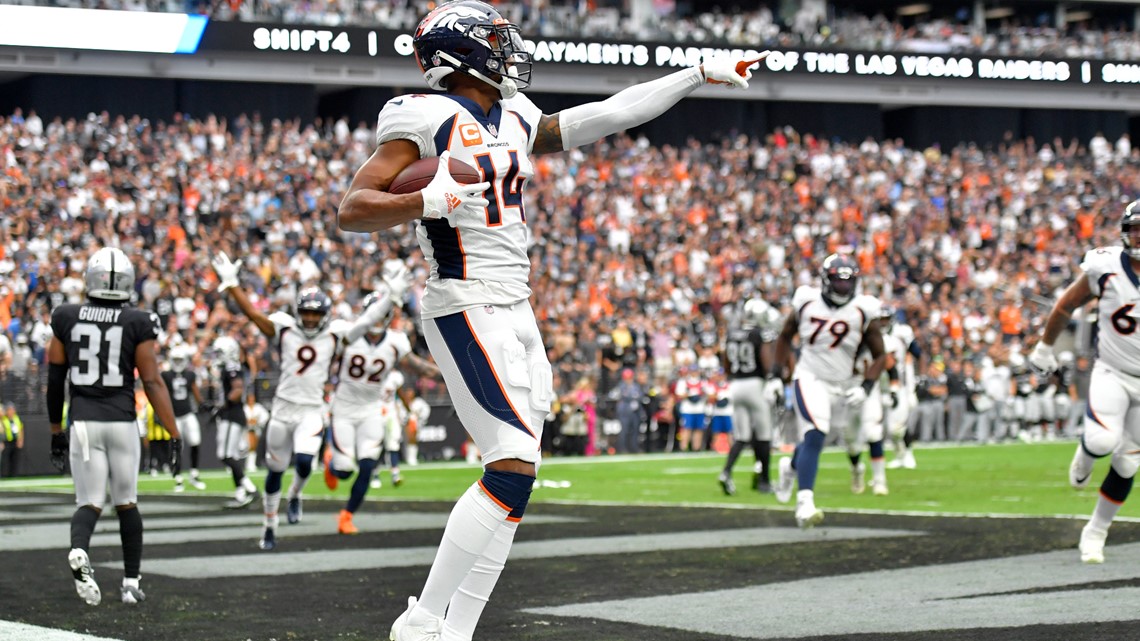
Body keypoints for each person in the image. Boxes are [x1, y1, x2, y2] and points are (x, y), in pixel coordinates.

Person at [335, 2, 764, 637]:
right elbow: (352, 208)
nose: (507, 47)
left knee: (516, 487)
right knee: (510, 464)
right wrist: (427, 199)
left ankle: (458, 631)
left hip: (518, 305)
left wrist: (695, 70)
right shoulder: (420, 116)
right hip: (463, 299)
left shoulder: (513, 114)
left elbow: (609, 114)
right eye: (494, 38)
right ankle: (421, 622)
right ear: (461, 51)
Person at [211, 253, 407, 550]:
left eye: (316, 314)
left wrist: (390, 300)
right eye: (307, 313)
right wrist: (232, 284)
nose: (311, 319)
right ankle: (269, 526)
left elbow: (367, 321)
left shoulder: (335, 335)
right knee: (274, 471)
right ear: (298, 312)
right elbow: (253, 313)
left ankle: (296, 494)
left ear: (325, 315)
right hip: (282, 408)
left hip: (312, 410)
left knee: (304, 461)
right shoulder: (285, 328)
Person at [46, 247, 182, 606]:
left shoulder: (66, 316)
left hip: (84, 422)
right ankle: (131, 583)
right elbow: (152, 381)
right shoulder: (137, 321)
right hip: (122, 421)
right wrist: (174, 431)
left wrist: (54, 430)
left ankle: (79, 548)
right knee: (127, 503)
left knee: (89, 502)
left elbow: (55, 378)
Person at [1028, 200, 1140, 564]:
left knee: (1127, 464)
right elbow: (1065, 305)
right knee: (1102, 440)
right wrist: (1045, 347)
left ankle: (1095, 532)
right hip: (1113, 371)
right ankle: (1086, 453)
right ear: (1126, 230)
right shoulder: (1105, 265)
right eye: (1137, 228)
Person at [773, 253, 886, 528]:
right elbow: (785, 335)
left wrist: (867, 386)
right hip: (809, 376)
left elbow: (880, 355)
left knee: (817, 437)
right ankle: (805, 504)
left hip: (842, 384)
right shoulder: (806, 301)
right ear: (826, 281)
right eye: (838, 281)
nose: (843, 288)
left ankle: (789, 468)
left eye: (848, 282)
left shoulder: (863, 309)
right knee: (815, 432)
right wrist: (777, 376)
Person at [324, 290, 438, 535]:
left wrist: (453, 374)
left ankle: (347, 516)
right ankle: (331, 465)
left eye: (382, 314)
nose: (377, 320)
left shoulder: (395, 342)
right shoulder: (347, 333)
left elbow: (419, 368)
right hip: (343, 407)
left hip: (372, 409)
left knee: (367, 465)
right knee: (344, 471)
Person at [718, 298, 782, 495]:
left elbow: (726, 363)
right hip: (755, 385)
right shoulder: (758, 334)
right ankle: (764, 481)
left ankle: (726, 472)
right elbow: (764, 358)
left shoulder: (732, 334)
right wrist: (771, 377)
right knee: (764, 435)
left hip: (735, 385)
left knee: (742, 436)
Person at [210, 335, 260, 509]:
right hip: (231, 414)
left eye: (219, 352)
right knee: (229, 455)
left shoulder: (232, 367)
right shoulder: (229, 367)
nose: (216, 356)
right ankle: (241, 492)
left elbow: (237, 389)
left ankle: (249, 488)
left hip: (232, 414)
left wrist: (220, 406)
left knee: (226, 454)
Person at [163, 344, 207, 491]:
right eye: (174, 359)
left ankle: (194, 473)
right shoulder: (166, 375)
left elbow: (195, 391)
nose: (177, 363)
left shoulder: (190, 375)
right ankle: (178, 477)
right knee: (177, 447)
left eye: (179, 359)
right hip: (174, 415)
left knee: (195, 441)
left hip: (188, 413)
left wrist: (202, 404)